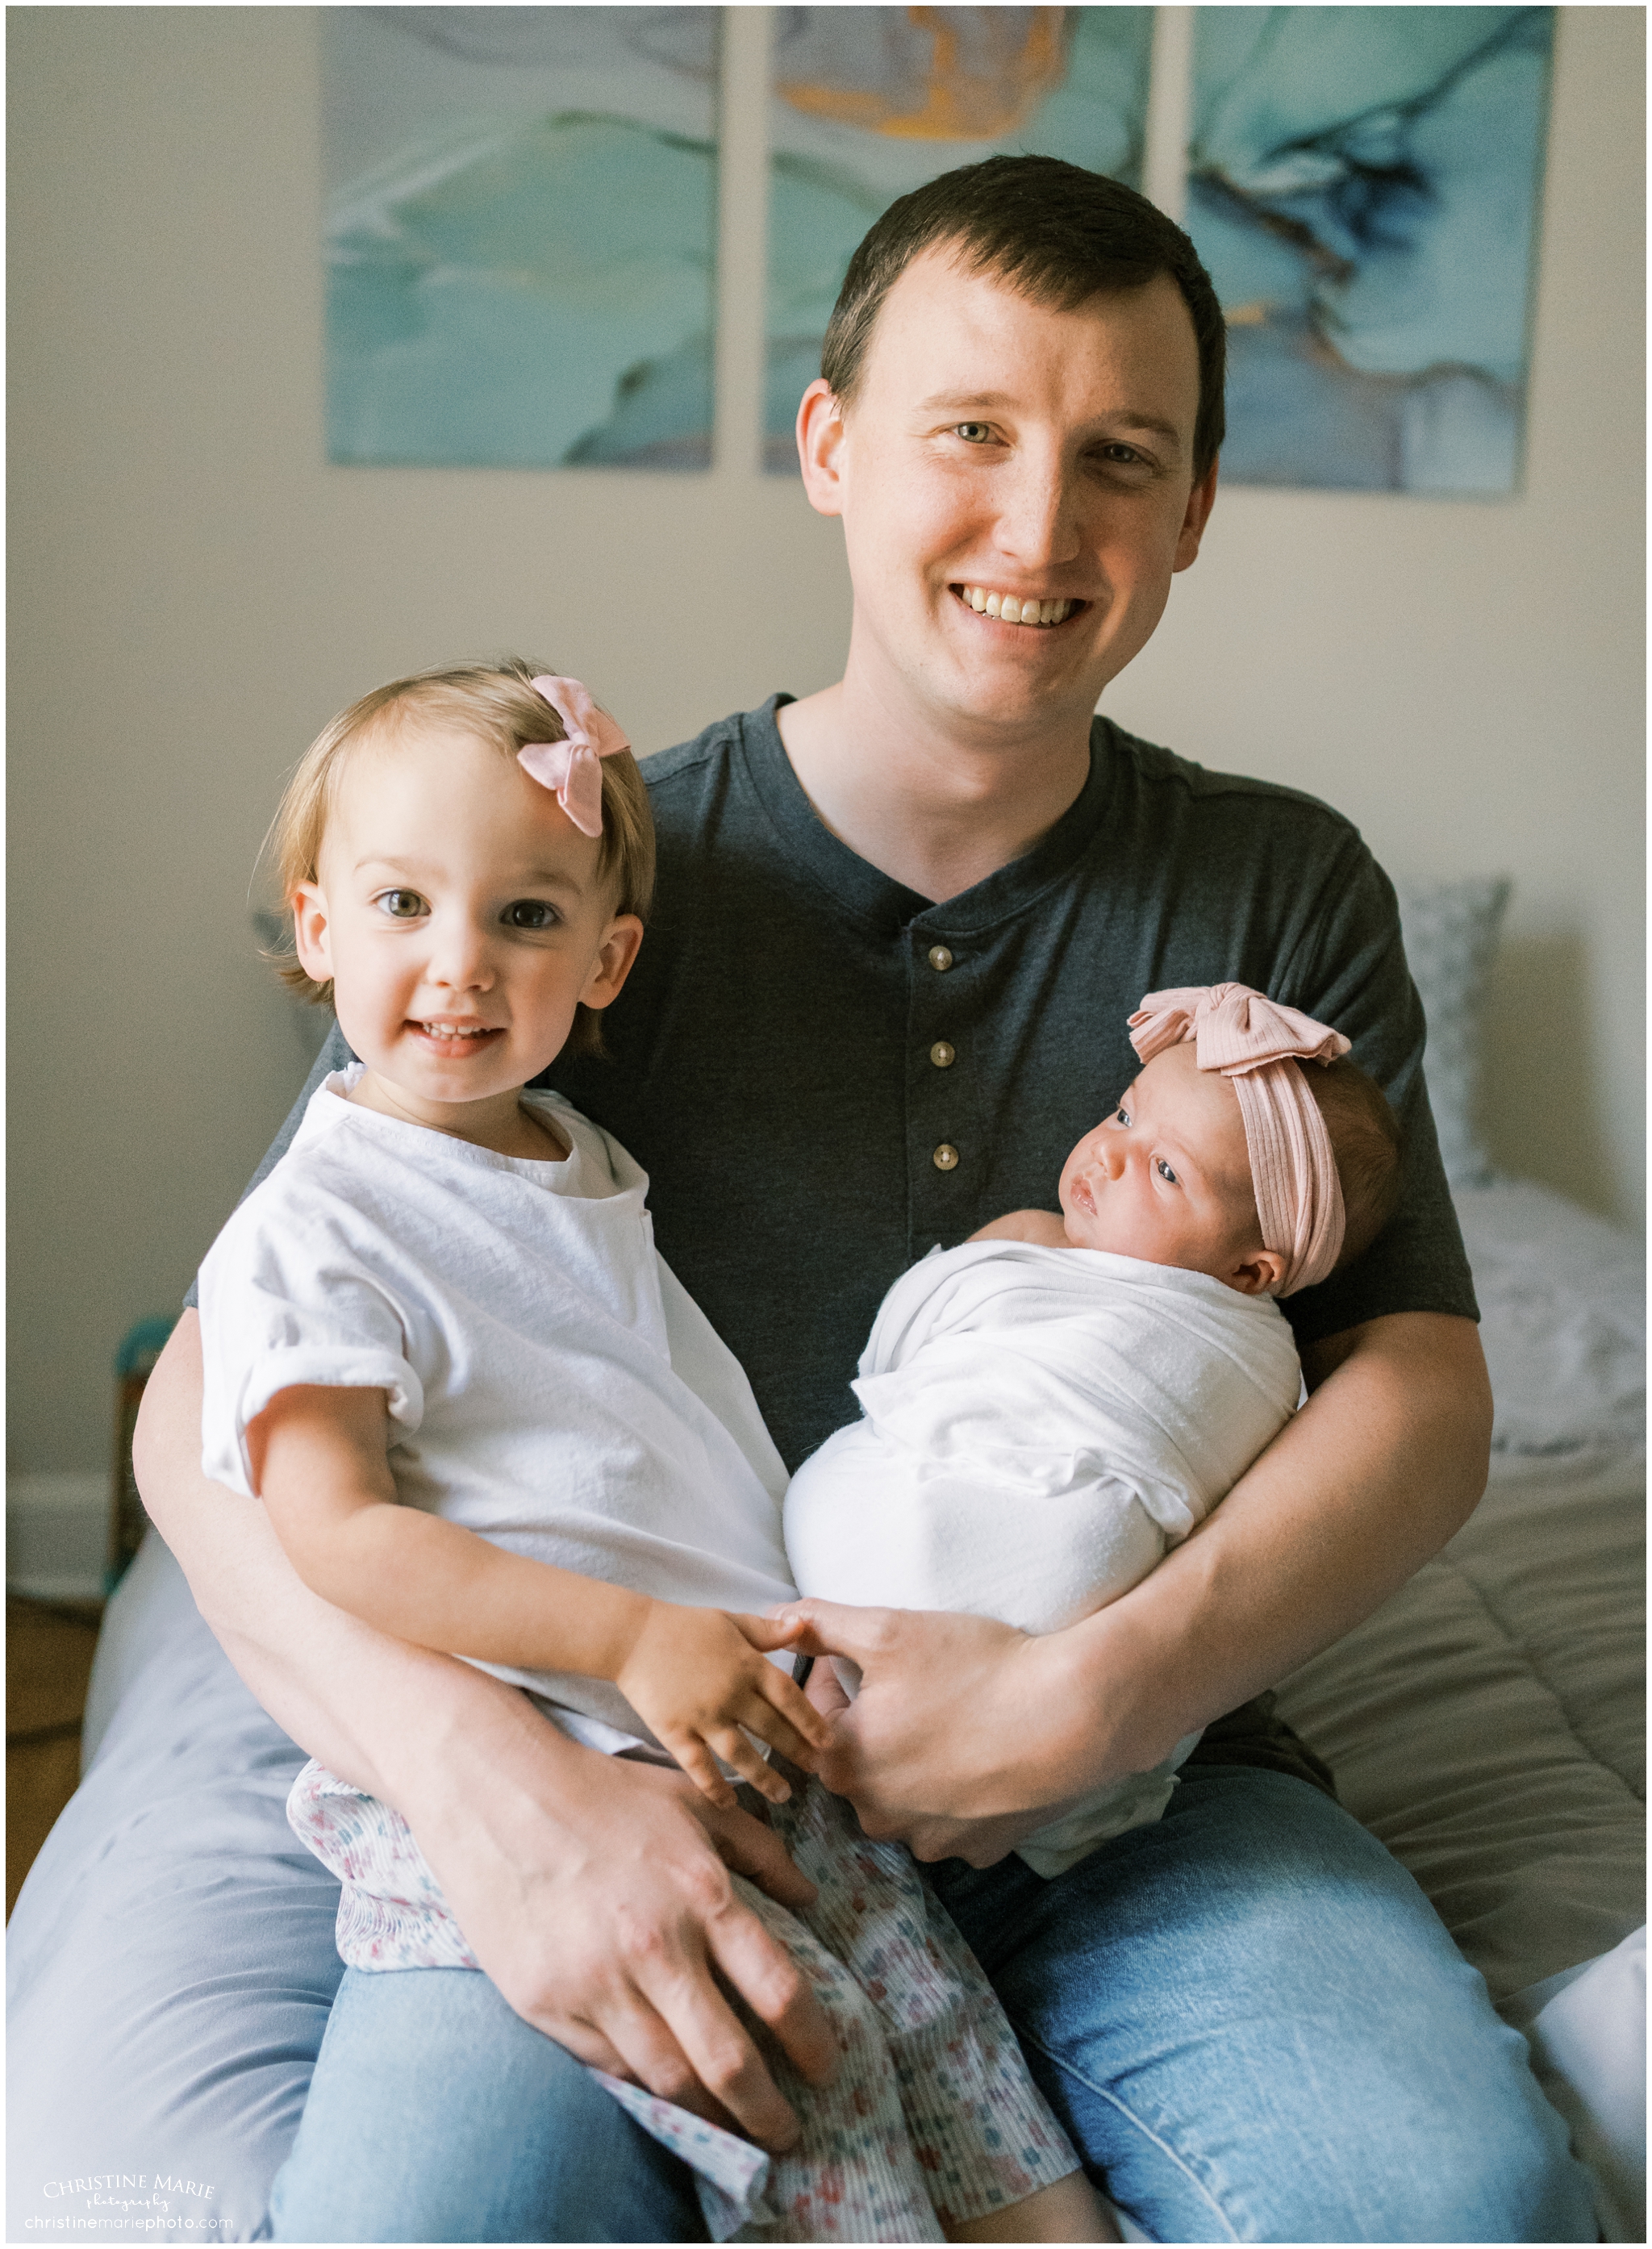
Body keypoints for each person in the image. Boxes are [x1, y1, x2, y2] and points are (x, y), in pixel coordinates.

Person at [113, 154, 1591, 2239]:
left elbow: (1422, 1388)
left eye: (1120, 459)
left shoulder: (1282, 889)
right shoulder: (584, 886)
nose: (1039, 524)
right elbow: (205, 1414)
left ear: (1192, 515)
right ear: (831, 448)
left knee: (1442, 2196)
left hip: (1140, 1793)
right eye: (970, 433)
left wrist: (1098, 1688)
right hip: (642, 1779)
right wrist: (482, 1785)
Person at [196, 655, 1102, 2244]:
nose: (461, 964)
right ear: (318, 925)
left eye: (525, 917)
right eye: (403, 903)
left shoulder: (579, 1157)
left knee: (963, 2063)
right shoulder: (315, 1223)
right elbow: (331, 1530)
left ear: (607, 957)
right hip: (567, 1744)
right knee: (818, 2098)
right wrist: (631, 1635)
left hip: (744, 1728)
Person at [784, 984, 1398, 1879]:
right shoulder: (1066, 1260)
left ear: (1246, 1270)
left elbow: (896, 1351)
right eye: (1122, 1113)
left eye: (1164, 1172)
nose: (1109, 1154)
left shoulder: (1246, 1359)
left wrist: (998, 1256)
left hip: (1088, 1669)